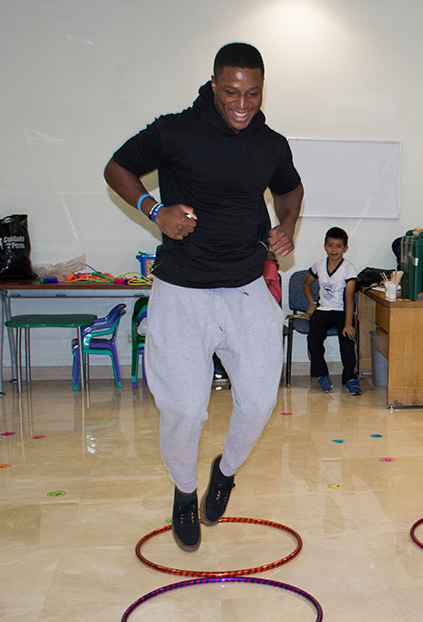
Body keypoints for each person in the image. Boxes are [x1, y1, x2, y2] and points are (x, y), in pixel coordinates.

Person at [104, 42, 303, 552]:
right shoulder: (175, 130)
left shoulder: (270, 143)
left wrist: (286, 226)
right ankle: (184, 491)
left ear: (262, 90)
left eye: (252, 94)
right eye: (232, 92)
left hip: (246, 286)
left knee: (259, 400)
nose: (242, 104)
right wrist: (154, 208)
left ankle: (226, 471)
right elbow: (117, 167)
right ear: (214, 85)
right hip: (181, 289)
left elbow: (290, 187)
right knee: (184, 409)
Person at [304, 227, 360, 396]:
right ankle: (321, 375)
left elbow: (349, 298)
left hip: (342, 311)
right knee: (313, 337)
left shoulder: (348, 268)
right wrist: (312, 302)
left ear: (345, 248)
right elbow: (306, 284)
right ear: (325, 246)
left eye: (338, 246)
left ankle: (350, 378)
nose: (334, 250)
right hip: (322, 310)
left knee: (347, 339)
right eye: (330, 245)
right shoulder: (318, 265)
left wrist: (348, 324)